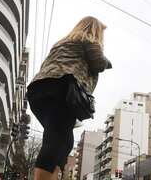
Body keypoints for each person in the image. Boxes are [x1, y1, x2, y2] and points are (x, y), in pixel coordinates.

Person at [27, 16, 112, 180]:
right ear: (94, 29)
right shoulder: (89, 38)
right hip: (61, 90)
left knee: (65, 142)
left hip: (39, 90)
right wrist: (109, 62)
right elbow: (99, 64)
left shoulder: (62, 42)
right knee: (56, 140)